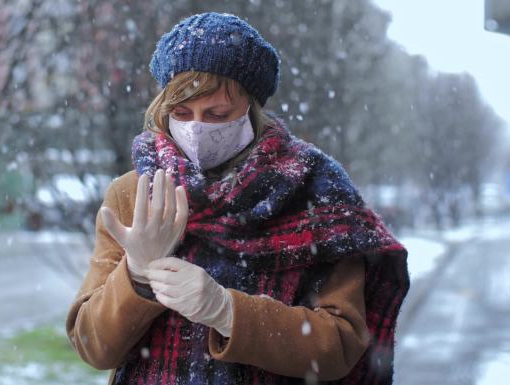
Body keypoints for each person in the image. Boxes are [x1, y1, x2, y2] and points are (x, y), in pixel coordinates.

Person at [66, 12, 409, 385]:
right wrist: (136, 275)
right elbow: (93, 346)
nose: (197, 128)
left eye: (218, 113)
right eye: (181, 113)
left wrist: (229, 312)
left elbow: (340, 345)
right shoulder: (134, 195)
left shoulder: (315, 191)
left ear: (252, 109)